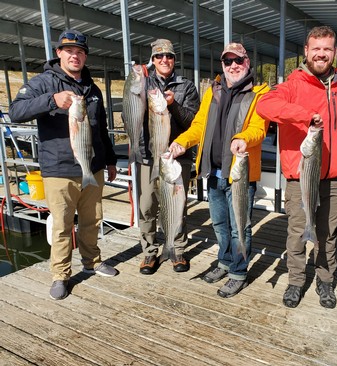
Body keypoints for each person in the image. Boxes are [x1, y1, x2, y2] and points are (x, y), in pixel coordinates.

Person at [9, 29, 119, 300]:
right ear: (59, 53)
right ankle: (61, 275)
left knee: (93, 220)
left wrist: (111, 160)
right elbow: (16, 111)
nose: (75, 55)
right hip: (58, 170)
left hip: (92, 167)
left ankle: (92, 262)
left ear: (85, 56)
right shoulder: (43, 83)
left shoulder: (92, 88)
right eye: (69, 51)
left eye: (80, 51)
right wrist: (51, 100)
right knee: (61, 225)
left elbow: (101, 128)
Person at [256, 26, 337, 309]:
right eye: (316, 49)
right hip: (300, 178)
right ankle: (296, 281)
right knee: (298, 233)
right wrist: (304, 117)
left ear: (334, 52)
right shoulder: (292, 85)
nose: (321, 54)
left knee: (328, 235)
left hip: (336, 179)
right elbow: (265, 105)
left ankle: (325, 280)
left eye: (327, 49)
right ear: (306, 51)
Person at [169, 42, 270, 298]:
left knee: (240, 227)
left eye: (238, 60)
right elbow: (199, 125)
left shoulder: (259, 93)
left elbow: (259, 128)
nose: (233, 66)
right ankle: (224, 261)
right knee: (220, 224)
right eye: (228, 61)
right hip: (212, 172)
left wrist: (244, 138)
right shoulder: (211, 92)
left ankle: (238, 271)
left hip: (239, 175)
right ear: (222, 66)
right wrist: (182, 142)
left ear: (247, 63)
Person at [135, 39, 200, 275]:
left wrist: (172, 105)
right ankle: (150, 253)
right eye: (159, 56)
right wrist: (137, 78)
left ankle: (177, 249)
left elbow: (192, 122)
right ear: (152, 61)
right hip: (148, 156)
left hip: (177, 157)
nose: (165, 60)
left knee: (177, 204)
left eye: (169, 56)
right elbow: (132, 112)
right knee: (147, 205)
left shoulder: (187, 87)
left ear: (174, 60)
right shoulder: (143, 83)